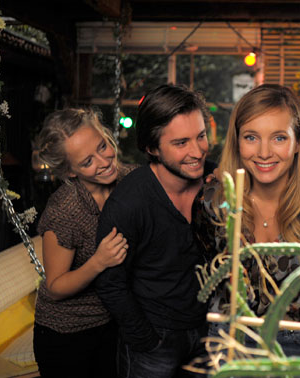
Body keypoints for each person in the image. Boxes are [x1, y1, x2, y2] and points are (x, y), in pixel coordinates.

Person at [194, 84, 300, 365]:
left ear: (298, 142)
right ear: (237, 141)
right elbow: (207, 262)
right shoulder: (213, 203)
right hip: (230, 338)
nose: (264, 153)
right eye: (251, 137)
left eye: (278, 138)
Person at [94, 84, 215, 378]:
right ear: (152, 148)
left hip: (209, 332)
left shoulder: (219, 181)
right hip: (154, 338)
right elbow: (110, 282)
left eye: (201, 136)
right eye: (181, 142)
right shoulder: (128, 203)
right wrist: (145, 340)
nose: (197, 151)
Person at [33, 108, 136, 378]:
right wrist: (98, 262)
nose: (104, 161)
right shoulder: (64, 211)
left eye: (103, 145)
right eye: (88, 161)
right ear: (70, 171)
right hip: (67, 335)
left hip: (114, 323)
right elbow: (55, 287)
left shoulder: (130, 180)